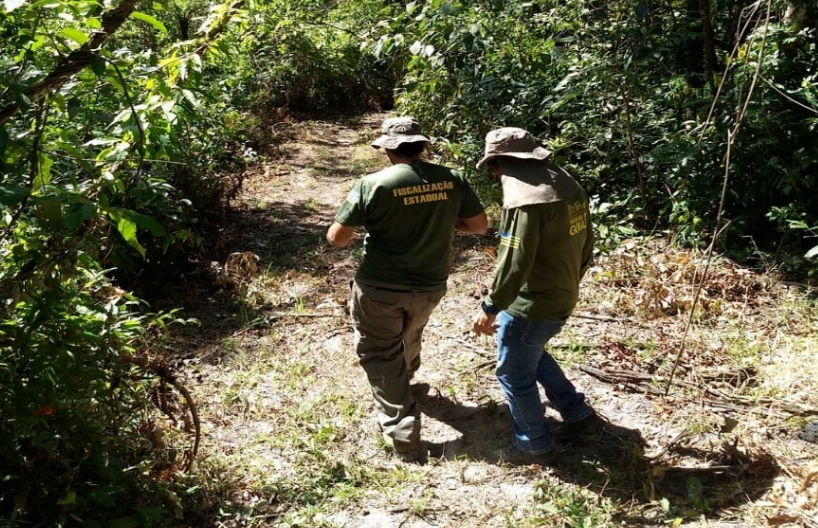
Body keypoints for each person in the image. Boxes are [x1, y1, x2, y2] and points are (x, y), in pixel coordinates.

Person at [327, 116, 488, 458]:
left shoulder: (372, 183)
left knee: (379, 353)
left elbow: (337, 239)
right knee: (412, 329)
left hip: (380, 286)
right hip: (431, 284)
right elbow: (479, 226)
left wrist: (378, 222)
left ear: (387, 148)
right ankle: (408, 374)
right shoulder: (451, 179)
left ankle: (404, 433)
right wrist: (439, 220)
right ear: (422, 146)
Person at [472, 127, 603, 465]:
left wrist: (490, 306)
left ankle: (533, 444)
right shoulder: (567, 185)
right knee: (531, 352)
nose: (495, 173)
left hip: (532, 304)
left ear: (503, 162)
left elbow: (514, 263)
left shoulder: (525, 201)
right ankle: (577, 413)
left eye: (493, 166)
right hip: (562, 293)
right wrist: (573, 279)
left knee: (513, 372)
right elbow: (588, 241)